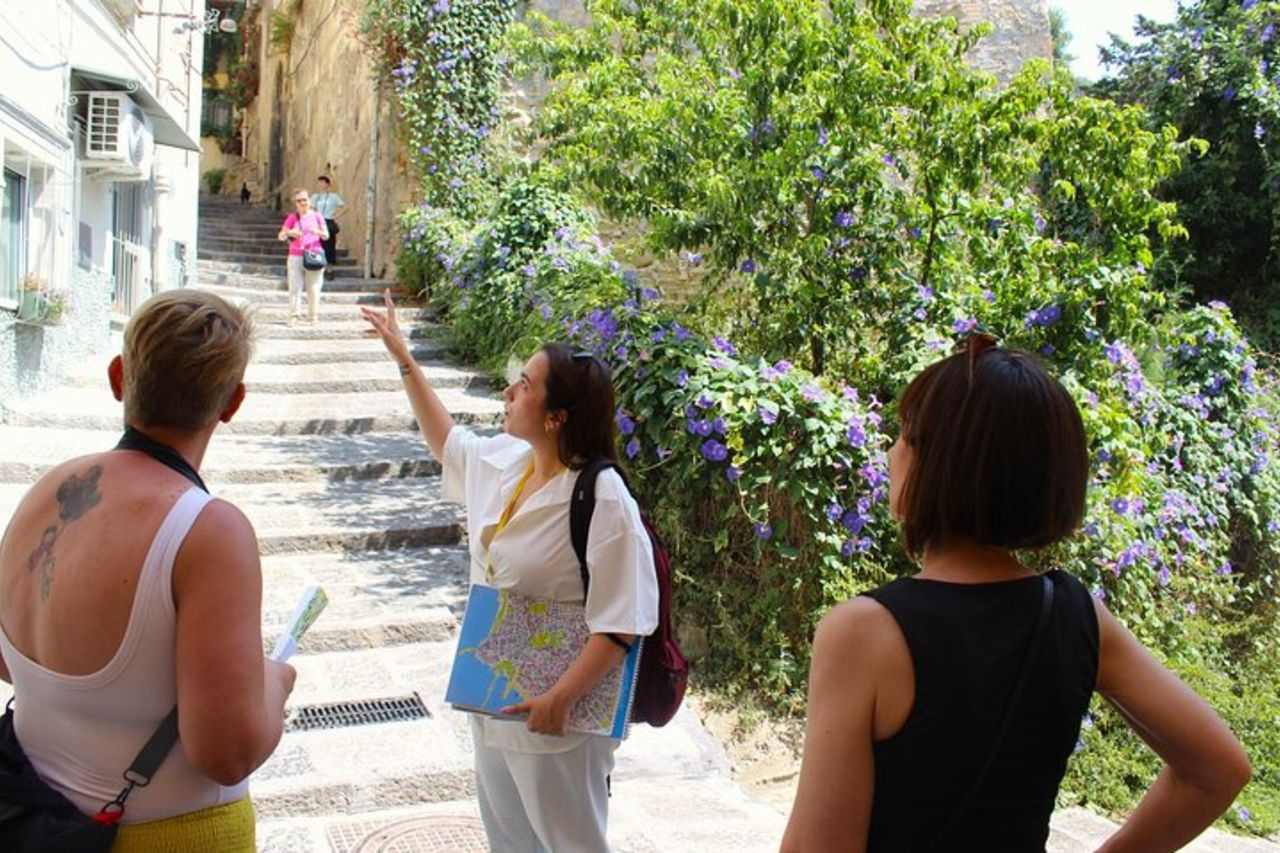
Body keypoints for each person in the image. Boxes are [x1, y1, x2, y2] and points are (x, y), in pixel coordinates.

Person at [781, 335, 1252, 853]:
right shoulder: (1076, 615)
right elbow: (1217, 769)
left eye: (906, 436)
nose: (892, 452)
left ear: (942, 465)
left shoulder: (862, 631)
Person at [361, 291, 658, 852]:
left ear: (556, 416)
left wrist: (560, 700)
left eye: (524, 384)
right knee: (510, 843)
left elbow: (625, 622)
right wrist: (404, 359)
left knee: (570, 845)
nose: (509, 391)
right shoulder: (508, 461)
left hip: (558, 719)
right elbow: (446, 440)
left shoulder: (602, 496)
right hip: (494, 700)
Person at [0, 289, 296, 851]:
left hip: (34, 816)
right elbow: (226, 753)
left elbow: (11, 658)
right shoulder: (208, 531)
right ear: (232, 402)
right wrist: (274, 684)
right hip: (165, 834)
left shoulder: (47, 489)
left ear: (119, 377)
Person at [277, 188, 329, 325]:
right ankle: (294, 316)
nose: (302, 203)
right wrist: (290, 233)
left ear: (309, 201)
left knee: (314, 288)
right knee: (295, 287)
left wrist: (316, 231)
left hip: (314, 254)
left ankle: (313, 316)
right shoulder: (292, 218)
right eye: (299, 200)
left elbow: (326, 235)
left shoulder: (317, 216)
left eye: (304, 200)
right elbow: (281, 236)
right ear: (296, 203)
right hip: (295, 255)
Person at [312, 175, 346, 280]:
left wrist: (335, 216)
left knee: (329, 247)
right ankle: (318, 270)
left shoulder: (333, 197)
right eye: (319, 182)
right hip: (317, 223)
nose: (320, 184)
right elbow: (311, 210)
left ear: (328, 184)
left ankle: (329, 270)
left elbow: (345, 207)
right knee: (317, 246)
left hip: (328, 222)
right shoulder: (315, 197)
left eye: (323, 182)